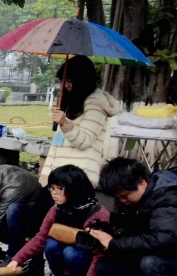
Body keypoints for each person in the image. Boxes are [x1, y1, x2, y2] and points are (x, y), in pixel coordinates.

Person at [91, 158, 177, 276]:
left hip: (169, 253)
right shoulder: (135, 197)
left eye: (125, 196)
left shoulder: (168, 196)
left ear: (142, 182)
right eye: (118, 198)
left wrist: (114, 244)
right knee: (106, 266)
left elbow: (164, 240)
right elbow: (135, 233)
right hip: (166, 255)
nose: (122, 201)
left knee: (151, 262)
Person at [6, 165, 110, 276]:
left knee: (71, 252)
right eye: (52, 188)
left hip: (87, 259)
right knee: (50, 244)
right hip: (69, 257)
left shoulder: (96, 214)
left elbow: (100, 254)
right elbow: (40, 238)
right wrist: (18, 259)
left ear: (74, 189)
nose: (54, 193)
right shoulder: (56, 209)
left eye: (59, 189)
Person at [40, 56, 119, 187]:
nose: (66, 85)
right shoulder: (75, 100)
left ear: (82, 79)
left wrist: (64, 123)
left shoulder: (96, 105)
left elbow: (84, 141)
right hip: (56, 175)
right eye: (64, 80)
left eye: (70, 81)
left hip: (75, 179)